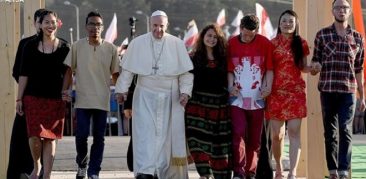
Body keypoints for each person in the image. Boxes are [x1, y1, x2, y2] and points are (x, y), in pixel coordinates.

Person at [115, 10, 193, 179]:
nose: (158, 30)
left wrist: (185, 93)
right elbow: (128, 70)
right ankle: (146, 171)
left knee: (166, 138)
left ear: (167, 25)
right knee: (145, 135)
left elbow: (186, 73)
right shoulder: (138, 43)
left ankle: (162, 172)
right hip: (145, 96)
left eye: (162, 26)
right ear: (150, 25)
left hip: (170, 97)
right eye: (155, 26)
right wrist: (121, 90)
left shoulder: (177, 44)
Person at [62, 11, 120, 179]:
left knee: (99, 138)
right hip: (82, 100)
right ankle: (82, 164)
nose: (95, 27)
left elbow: (116, 74)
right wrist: (65, 90)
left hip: (102, 100)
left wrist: (121, 92)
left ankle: (94, 171)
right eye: (92, 24)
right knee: (81, 136)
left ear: (102, 27)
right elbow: (68, 70)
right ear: (86, 26)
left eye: (98, 25)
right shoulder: (77, 46)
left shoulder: (111, 49)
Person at [311, 0, 365, 178]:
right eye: (338, 8)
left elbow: (359, 69)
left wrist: (362, 96)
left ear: (349, 12)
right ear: (332, 11)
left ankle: (343, 170)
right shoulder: (322, 35)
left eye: (345, 8)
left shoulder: (358, 38)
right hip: (327, 89)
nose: (342, 10)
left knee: (345, 129)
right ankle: (332, 170)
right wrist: (315, 67)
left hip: (348, 91)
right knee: (330, 133)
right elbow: (314, 62)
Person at [16, 10, 70, 179]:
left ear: (57, 23)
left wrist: (65, 90)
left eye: (53, 22)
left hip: (55, 98)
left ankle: (46, 175)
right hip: (32, 97)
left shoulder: (65, 47)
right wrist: (19, 98)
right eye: (46, 22)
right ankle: (36, 165)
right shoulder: (29, 46)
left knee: (50, 138)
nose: (50, 25)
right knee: (34, 136)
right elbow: (23, 74)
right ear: (40, 24)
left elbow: (68, 72)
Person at [227, 14, 274, 179]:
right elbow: (230, 70)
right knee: (238, 132)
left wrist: (268, 87)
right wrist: (230, 86)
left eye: (251, 35)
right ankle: (238, 171)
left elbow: (269, 69)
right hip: (237, 98)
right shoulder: (231, 43)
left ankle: (250, 172)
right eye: (245, 34)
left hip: (258, 98)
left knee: (255, 140)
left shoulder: (265, 43)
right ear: (240, 28)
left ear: (257, 31)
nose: (247, 38)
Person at [265, 10, 311, 179]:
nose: (287, 24)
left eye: (291, 21)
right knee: (276, 136)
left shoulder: (302, 43)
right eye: (284, 21)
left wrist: (313, 69)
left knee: (293, 131)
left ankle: (292, 172)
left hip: (295, 92)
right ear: (279, 24)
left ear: (295, 24)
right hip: (276, 93)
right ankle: (278, 168)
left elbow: (303, 67)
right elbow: (268, 68)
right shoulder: (271, 44)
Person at [185, 24, 232, 179]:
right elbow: (185, 80)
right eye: (209, 36)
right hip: (197, 106)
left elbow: (230, 79)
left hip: (219, 107)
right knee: (196, 141)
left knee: (219, 145)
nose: (211, 39)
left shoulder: (224, 59)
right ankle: (205, 175)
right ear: (203, 37)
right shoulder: (192, 57)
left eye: (215, 37)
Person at [7, 8, 46, 179]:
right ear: (35, 23)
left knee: (45, 139)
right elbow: (18, 72)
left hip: (48, 100)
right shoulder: (26, 44)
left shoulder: (58, 44)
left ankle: (42, 171)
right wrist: (25, 92)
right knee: (22, 137)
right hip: (28, 98)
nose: (43, 26)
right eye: (40, 22)